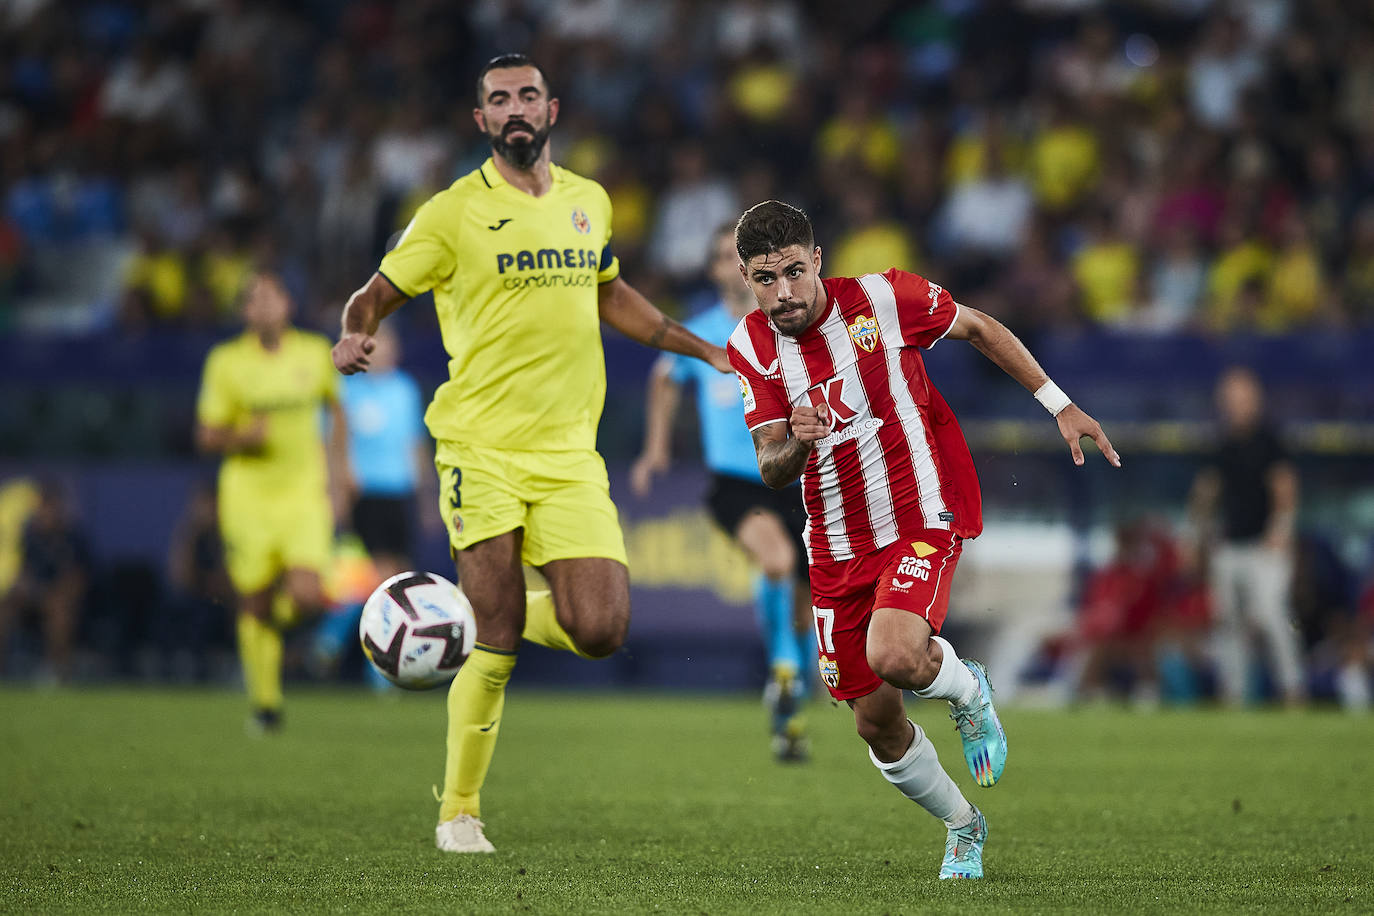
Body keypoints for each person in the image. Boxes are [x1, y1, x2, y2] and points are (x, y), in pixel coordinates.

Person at [332, 54, 729, 854]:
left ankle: (469, 611)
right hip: (479, 445)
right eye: (498, 100)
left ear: (553, 108)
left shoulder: (590, 202)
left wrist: (700, 348)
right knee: (501, 636)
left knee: (602, 627)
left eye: (527, 96)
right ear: (480, 121)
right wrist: (356, 330)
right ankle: (459, 813)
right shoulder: (449, 214)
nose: (515, 108)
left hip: (570, 454)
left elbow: (609, 291)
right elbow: (375, 291)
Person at [726, 200, 1119, 880]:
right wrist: (798, 442)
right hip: (835, 547)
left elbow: (981, 328)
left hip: (919, 516)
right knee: (874, 723)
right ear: (746, 277)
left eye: (794, 271)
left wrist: (1060, 405)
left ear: (817, 259)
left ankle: (969, 694)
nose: (783, 292)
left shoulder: (884, 297)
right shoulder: (750, 347)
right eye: (766, 278)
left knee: (897, 653)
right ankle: (963, 826)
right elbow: (769, 463)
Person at [632, 223, 812, 761]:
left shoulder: (786, 328)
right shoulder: (705, 332)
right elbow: (664, 378)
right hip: (735, 483)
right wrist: (656, 449)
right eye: (721, 257)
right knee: (776, 559)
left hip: (796, 480)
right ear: (716, 270)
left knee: (806, 606)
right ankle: (781, 666)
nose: (730, 265)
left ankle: (788, 712)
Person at [195, 270, 350, 732]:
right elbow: (206, 434)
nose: (264, 307)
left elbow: (337, 411)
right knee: (254, 601)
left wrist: (340, 478)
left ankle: (279, 627)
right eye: (255, 300)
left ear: (288, 305)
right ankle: (266, 704)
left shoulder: (313, 353)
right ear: (245, 311)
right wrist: (242, 436)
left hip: (303, 493)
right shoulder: (226, 362)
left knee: (306, 595)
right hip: (249, 498)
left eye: (272, 297)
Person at [311, 323, 436, 685]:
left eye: (390, 342)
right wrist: (334, 492)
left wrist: (427, 497)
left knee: (391, 578)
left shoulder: (405, 390)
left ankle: (331, 639)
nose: (385, 350)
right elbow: (329, 446)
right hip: (364, 493)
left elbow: (415, 444)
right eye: (377, 343)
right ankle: (375, 668)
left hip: (399, 492)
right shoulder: (344, 391)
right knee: (380, 578)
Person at [1188, 366, 1305, 705]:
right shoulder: (1222, 443)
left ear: (1256, 400)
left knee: (1270, 615)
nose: (1236, 405)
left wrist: (1281, 530)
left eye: (1242, 397)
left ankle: (1292, 689)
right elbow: (1207, 491)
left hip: (1264, 545)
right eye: (1230, 398)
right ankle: (1234, 692)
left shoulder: (1270, 440)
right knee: (1228, 622)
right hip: (1230, 544)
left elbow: (1285, 486)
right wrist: (1197, 534)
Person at [0, 479, 90, 683]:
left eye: (50, 506)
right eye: (42, 506)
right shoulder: (29, 536)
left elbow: (78, 577)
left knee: (60, 609)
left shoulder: (73, 537)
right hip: (34, 595)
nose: (46, 512)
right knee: (4, 606)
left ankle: (57, 671)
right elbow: (23, 570)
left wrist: (55, 593)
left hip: (61, 598)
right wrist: (27, 587)